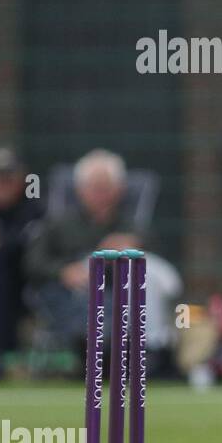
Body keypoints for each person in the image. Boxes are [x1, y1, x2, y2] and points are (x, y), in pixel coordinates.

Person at [25, 149, 143, 353]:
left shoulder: (131, 227)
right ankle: (88, 348)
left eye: (106, 187)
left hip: (116, 295)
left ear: (119, 189)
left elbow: (157, 259)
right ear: (80, 189)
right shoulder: (58, 224)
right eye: (94, 188)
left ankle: (138, 349)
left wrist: (134, 246)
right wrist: (63, 271)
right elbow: (33, 262)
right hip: (69, 295)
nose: (100, 194)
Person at [0, 147, 43, 376]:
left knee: (0, 267)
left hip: (21, 285)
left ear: (21, 178)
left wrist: (2, 246)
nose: (2, 183)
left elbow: (29, 244)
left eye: (9, 177)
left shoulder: (33, 205)